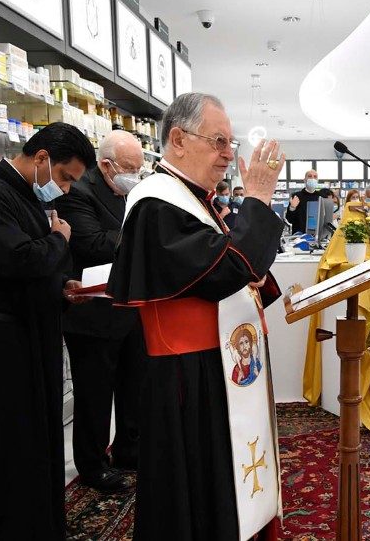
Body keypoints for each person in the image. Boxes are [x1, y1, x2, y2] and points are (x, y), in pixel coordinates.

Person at [107, 93, 284, 540]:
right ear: (179, 139)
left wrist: (254, 281)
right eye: (219, 140)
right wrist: (258, 199)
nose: (228, 153)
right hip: (187, 374)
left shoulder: (195, 199)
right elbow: (222, 268)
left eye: (231, 141)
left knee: (223, 480)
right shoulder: (156, 203)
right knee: (196, 490)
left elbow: (229, 268)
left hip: (217, 364)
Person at [0, 122, 93, 538]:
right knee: (7, 455)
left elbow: (27, 274)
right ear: (42, 157)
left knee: (33, 450)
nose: (64, 189)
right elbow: (20, 260)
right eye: (64, 177)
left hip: (24, 341)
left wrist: (61, 288)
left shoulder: (19, 195)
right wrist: (60, 240)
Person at [55, 130, 147, 493]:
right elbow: (93, 243)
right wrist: (141, 235)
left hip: (128, 307)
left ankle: (129, 447)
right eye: (129, 168)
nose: (135, 175)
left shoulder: (129, 191)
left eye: (139, 169)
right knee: (94, 395)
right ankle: (92, 464)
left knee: (133, 383)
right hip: (91, 312)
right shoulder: (79, 192)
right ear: (106, 165)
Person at [286, 169, 331, 233]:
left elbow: (327, 220)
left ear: (317, 180)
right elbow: (290, 220)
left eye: (315, 177)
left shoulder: (322, 197)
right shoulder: (296, 196)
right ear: (304, 180)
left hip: (318, 235)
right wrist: (292, 208)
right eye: (310, 176)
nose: (312, 178)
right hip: (299, 236)